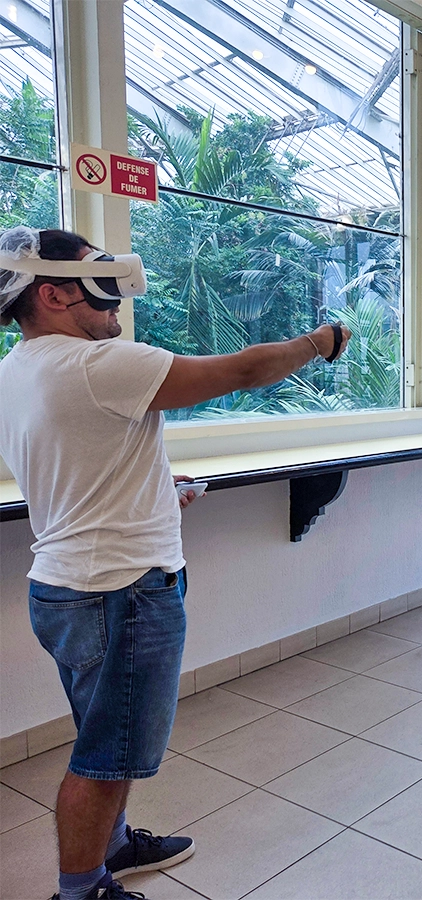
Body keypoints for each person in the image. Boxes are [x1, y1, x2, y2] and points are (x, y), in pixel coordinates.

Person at [0, 226, 352, 900]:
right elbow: (245, 371)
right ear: (51, 292)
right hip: (121, 590)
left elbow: (81, 466)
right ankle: (82, 889)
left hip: (65, 586)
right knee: (105, 757)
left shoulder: (17, 370)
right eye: (98, 283)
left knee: (108, 734)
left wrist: (159, 494)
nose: (115, 301)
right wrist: (319, 342)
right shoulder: (99, 365)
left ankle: (114, 844)